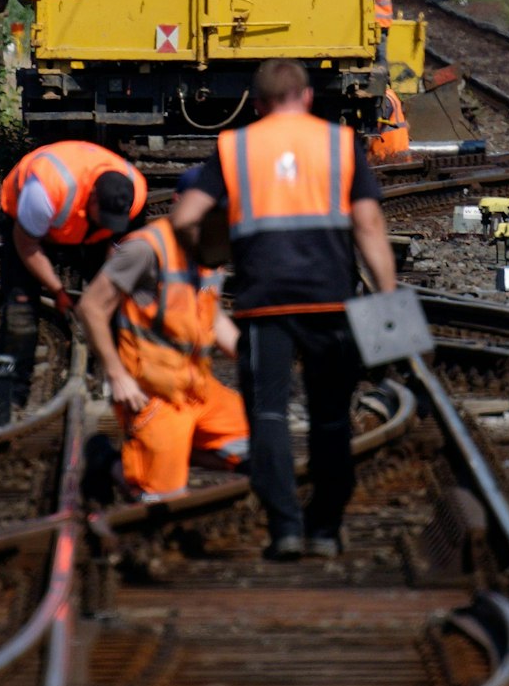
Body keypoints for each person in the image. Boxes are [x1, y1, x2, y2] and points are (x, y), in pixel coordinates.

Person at [170, 58, 398, 561]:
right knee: (332, 417)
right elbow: (369, 227)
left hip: (261, 305)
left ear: (257, 104)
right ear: (308, 98)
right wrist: (387, 299)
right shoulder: (340, 144)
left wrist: (212, 254)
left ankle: (286, 529)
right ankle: (324, 527)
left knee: (268, 416)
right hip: (330, 300)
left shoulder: (234, 147)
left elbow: (185, 217)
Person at [77, 173, 249, 504]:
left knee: (260, 448)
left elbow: (211, 314)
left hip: (197, 387)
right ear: (178, 204)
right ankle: (110, 463)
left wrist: (249, 352)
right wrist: (117, 376)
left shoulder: (213, 247)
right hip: (152, 393)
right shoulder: (145, 248)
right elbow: (91, 307)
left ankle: (169, 452)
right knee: (161, 500)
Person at [0, 141, 147, 401]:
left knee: (121, 302)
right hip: (25, 227)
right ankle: (12, 392)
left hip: (88, 236)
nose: (109, 224)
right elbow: (27, 245)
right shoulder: (46, 188)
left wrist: (107, 293)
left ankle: (118, 380)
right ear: (91, 198)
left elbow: (120, 249)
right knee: (20, 305)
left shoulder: (136, 192)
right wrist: (58, 291)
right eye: (104, 217)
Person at [367, 86, 410, 164]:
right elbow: (407, 125)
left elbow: (372, 132)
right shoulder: (392, 95)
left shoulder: (383, 100)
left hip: (385, 158)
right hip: (399, 156)